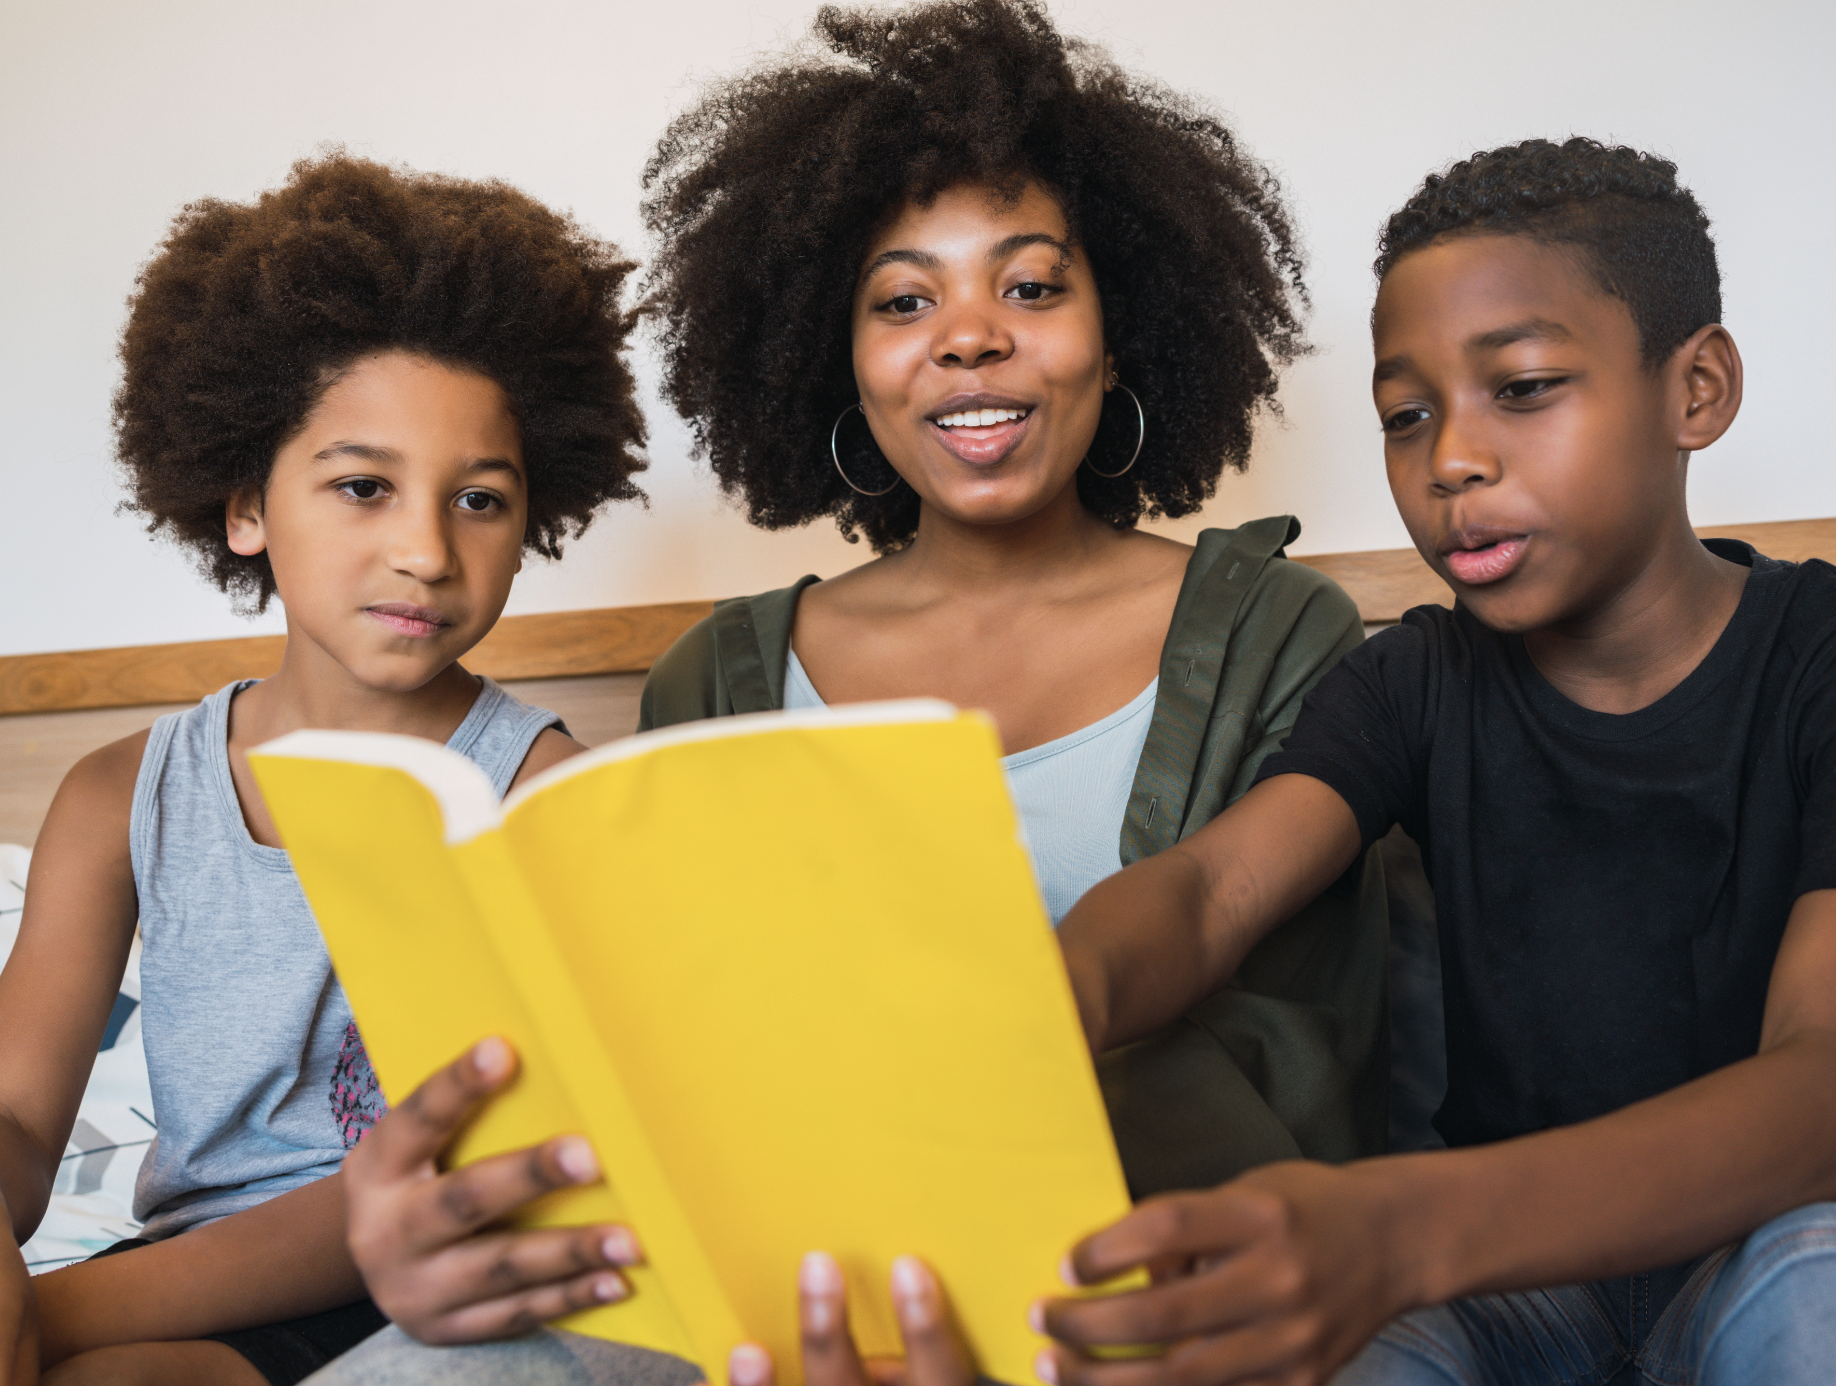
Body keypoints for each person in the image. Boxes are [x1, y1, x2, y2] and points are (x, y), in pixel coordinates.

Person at [312, 2, 1378, 1382]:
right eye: (902, 301)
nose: (969, 338)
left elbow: (1301, 1061)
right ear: (841, 361)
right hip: (783, 1308)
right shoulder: (721, 680)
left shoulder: (1276, 636)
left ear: (1122, 335)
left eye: (1032, 287)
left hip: (1136, 1311)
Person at [1031, 137, 1836, 1385]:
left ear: (1697, 389)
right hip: (1513, 1292)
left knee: (1832, 1287)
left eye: (1527, 386)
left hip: (1792, 1242)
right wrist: (1050, 999)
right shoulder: (1414, 679)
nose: (1450, 459)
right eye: (1406, 416)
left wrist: (1396, 1228)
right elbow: (1213, 888)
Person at [0, 154, 647, 1385]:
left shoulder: (552, 802)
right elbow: (22, 1118)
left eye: (480, 500)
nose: (425, 550)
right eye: (363, 487)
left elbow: (456, 1178)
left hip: (416, 1277)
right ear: (246, 506)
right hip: (174, 1270)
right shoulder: (117, 797)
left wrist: (51, 1321)